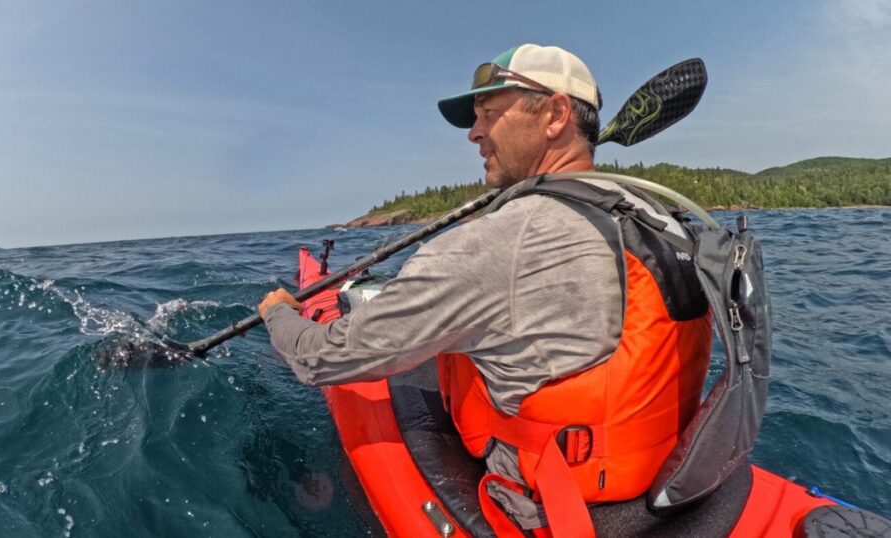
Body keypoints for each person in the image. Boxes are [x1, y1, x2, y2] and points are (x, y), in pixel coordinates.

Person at [257, 44, 712, 536]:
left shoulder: (496, 244)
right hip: (658, 468)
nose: (475, 133)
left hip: (552, 494)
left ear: (556, 114)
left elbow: (319, 360)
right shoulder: (656, 215)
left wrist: (280, 314)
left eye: (490, 114)